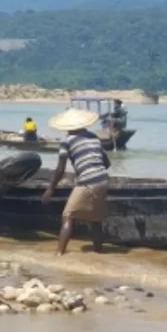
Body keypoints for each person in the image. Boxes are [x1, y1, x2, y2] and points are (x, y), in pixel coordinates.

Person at [41, 108, 111, 255]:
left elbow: (61, 168)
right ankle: (99, 253)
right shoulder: (93, 136)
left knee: (68, 215)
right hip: (103, 179)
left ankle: (59, 253)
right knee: (95, 219)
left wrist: (50, 188)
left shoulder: (66, 141)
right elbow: (106, 162)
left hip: (88, 181)